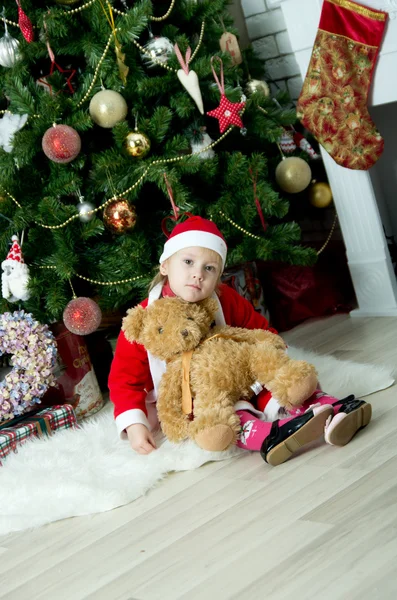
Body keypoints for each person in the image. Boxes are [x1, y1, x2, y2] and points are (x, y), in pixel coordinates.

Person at [108, 216, 372, 466]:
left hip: (241, 373)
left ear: (218, 276)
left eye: (208, 268)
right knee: (227, 415)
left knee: (279, 386)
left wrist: (273, 362)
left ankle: (331, 408)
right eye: (188, 262)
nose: (198, 274)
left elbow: (260, 331)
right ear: (165, 265)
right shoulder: (144, 321)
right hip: (198, 393)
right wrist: (134, 424)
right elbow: (123, 379)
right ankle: (269, 436)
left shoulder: (225, 300)